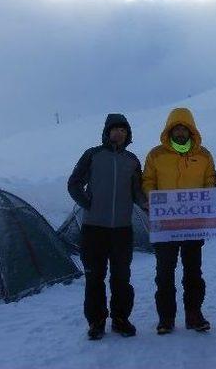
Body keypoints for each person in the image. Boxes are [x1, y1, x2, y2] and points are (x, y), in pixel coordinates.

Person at [68, 113, 147, 340]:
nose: (119, 133)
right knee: (95, 278)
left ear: (128, 134)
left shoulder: (132, 160)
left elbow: (137, 193)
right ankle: (96, 322)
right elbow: (74, 183)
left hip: (122, 230)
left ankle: (121, 320)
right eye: (115, 129)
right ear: (107, 132)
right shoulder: (93, 155)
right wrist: (87, 204)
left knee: (121, 278)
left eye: (123, 130)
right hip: (94, 229)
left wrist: (146, 204)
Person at [142, 108, 216, 335]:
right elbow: (148, 180)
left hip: (194, 224)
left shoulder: (204, 155)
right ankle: (166, 318)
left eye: (185, 128)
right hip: (165, 226)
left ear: (191, 130)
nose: (181, 132)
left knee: (193, 272)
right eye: (177, 128)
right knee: (164, 273)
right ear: (170, 130)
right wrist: (152, 198)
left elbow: (210, 180)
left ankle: (194, 314)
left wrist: (208, 195)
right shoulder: (156, 155)